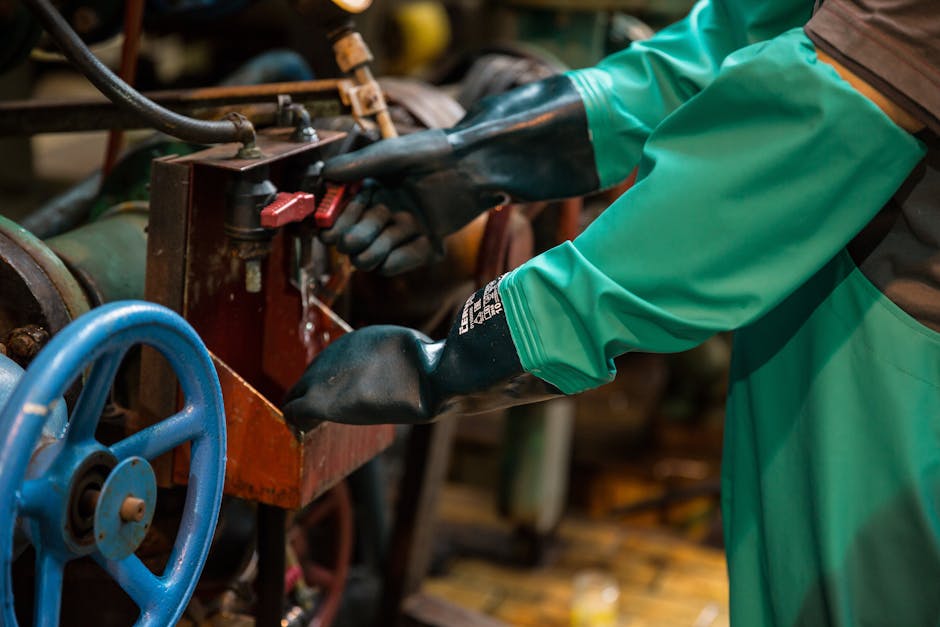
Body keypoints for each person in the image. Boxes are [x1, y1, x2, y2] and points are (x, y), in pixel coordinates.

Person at [284, 0, 940, 623]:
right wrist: (483, 152)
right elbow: (739, 38)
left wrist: (473, 351)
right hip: (832, 305)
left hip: (906, 353)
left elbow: (817, 118)